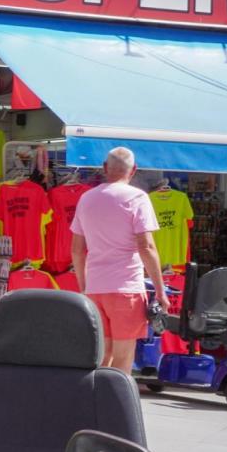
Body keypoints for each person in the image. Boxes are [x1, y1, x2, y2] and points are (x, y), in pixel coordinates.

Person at [71, 147, 169, 372]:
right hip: (126, 289)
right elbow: (147, 247)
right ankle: (116, 406)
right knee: (124, 359)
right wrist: (160, 290)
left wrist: (84, 286)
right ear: (133, 170)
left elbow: (77, 250)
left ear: (105, 168)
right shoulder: (137, 197)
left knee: (101, 357)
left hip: (96, 288)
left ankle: (92, 403)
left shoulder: (86, 198)